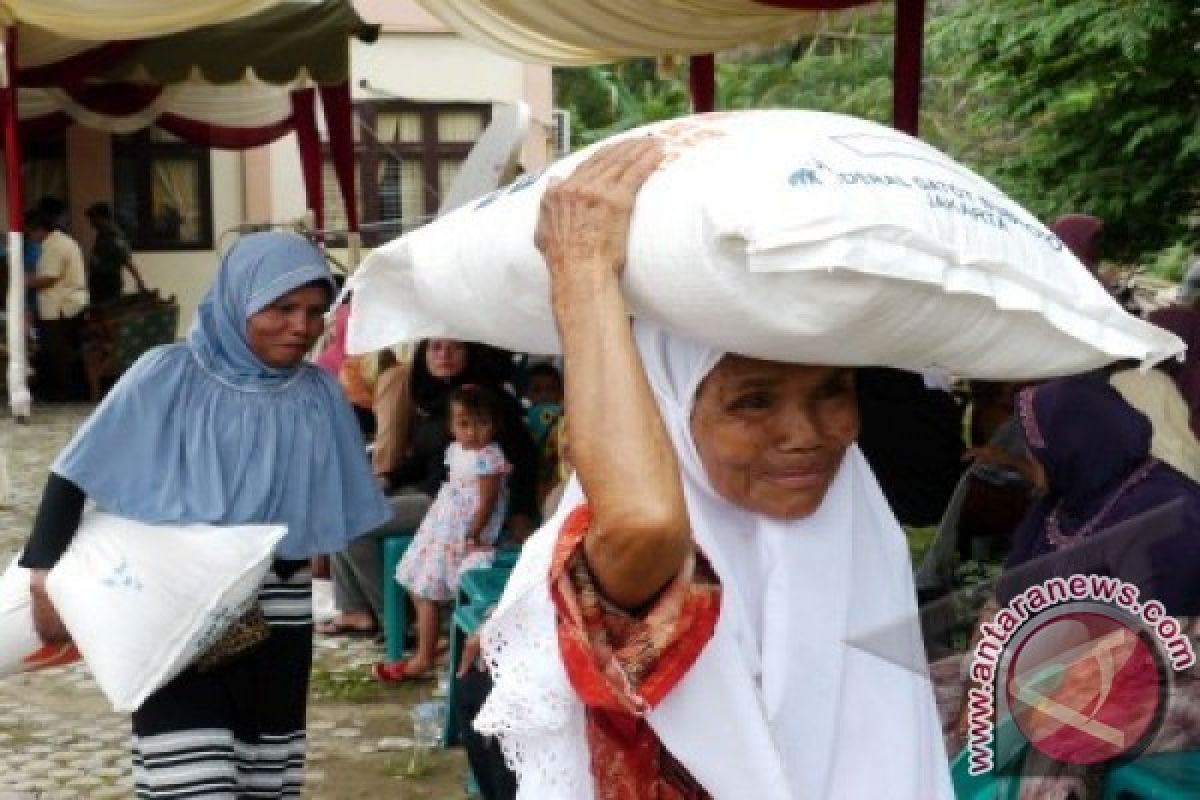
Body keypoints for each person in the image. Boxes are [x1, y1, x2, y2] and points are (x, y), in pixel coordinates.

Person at [473, 139, 952, 798]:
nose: (807, 435)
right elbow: (643, 521)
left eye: (833, 390)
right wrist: (582, 270)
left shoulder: (859, 531)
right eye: (753, 401)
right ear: (670, 411)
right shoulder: (630, 560)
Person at [20, 232, 391, 798]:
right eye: (282, 308)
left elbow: (334, 514)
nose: (302, 326)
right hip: (178, 610)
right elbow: (75, 472)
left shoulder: (318, 396)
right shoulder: (168, 375)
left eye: (315, 312)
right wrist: (43, 580)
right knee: (190, 782)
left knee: (264, 781)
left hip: (279, 621)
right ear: (240, 301)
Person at [319, 339, 538, 637]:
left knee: (354, 522)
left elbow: (522, 461)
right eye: (435, 348)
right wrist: (387, 480)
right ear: (423, 356)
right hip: (429, 494)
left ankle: (397, 621)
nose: (444, 355)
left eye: (455, 348)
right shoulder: (435, 402)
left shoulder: (484, 403)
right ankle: (356, 610)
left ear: (470, 354)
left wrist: (520, 512)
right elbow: (421, 459)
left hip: (452, 507)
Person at [375, 386, 512, 681]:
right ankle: (429, 643)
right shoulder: (455, 451)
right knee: (414, 581)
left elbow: (487, 501)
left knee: (427, 589)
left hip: (463, 534)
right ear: (451, 426)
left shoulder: (490, 457)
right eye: (464, 424)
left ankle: (424, 656)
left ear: (494, 424)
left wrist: (474, 533)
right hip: (440, 528)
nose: (473, 432)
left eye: (481, 423)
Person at [24, 209, 89, 401]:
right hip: (65, 305)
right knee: (62, 351)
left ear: (39, 230)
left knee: (58, 352)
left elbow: (48, 278)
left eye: (29, 232)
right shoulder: (60, 242)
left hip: (60, 306)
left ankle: (65, 392)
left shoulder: (55, 246)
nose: (30, 237)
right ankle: (66, 389)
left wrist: (22, 281)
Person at [85, 201, 145, 306]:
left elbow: (126, 259)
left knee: (108, 315)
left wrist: (139, 281)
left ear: (102, 217)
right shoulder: (102, 233)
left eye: (93, 217)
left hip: (108, 284)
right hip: (99, 283)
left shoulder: (113, 235)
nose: (91, 221)